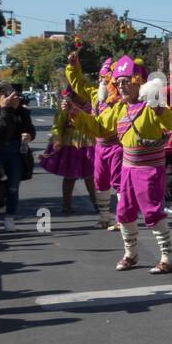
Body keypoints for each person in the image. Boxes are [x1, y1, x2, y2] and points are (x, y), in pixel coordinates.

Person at [67, 58, 172, 272]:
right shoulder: (119, 108)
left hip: (150, 168)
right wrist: (76, 113)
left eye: (126, 81)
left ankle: (168, 258)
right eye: (118, 82)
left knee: (152, 212)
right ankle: (131, 254)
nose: (121, 86)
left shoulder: (152, 104)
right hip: (127, 167)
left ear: (139, 82)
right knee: (124, 212)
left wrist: (160, 111)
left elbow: (171, 123)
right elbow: (99, 128)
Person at [65, 52, 121, 229]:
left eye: (107, 79)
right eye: (101, 78)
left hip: (116, 147)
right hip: (100, 146)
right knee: (100, 181)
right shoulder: (96, 94)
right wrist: (74, 66)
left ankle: (122, 218)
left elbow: (101, 127)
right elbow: (79, 83)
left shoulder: (121, 102)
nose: (103, 82)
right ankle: (104, 218)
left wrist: (76, 113)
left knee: (119, 184)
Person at [39, 87, 98, 215]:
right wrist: (57, 139)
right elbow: (57, 125)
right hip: (70, 144)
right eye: (80, 92)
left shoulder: (92, 104)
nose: (84, 94)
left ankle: (98, 204)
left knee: (91, 176)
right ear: (74, 94)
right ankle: (67, 205)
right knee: (70, 176)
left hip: (89, 142)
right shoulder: (66, 106)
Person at [0, 82, 36, 232]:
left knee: (13, 187)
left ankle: (9, 218)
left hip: (15, 151)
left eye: (15, 95)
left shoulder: (22, 112)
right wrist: (6, 110)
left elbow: (30, 129)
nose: (14, 97)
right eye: (8, 94)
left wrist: (29, 135)